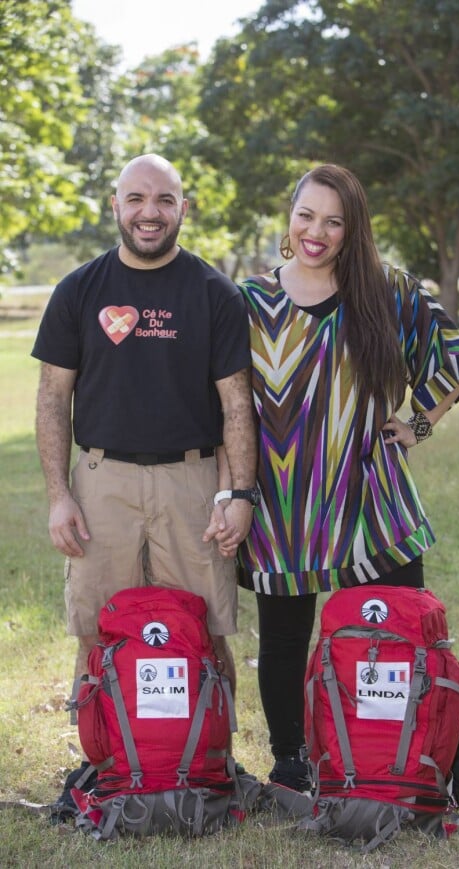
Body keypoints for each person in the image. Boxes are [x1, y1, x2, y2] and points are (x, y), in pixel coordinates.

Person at [206, 163, 459, 820]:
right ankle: (294, 769)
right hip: (283, 506)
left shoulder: (386, 289)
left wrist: (416, 422)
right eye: (306, 215)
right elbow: (227, 404)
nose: (316, 231)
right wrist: (234, 489)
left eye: (333, 220)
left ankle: (455, 766)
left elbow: (454, 361)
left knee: (413, 634)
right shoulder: (249, 300)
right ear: (290, 216)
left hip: (372, 499)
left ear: (352, 227)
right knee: (284, 642)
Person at [32, 153, 259, 813]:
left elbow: (236, 404)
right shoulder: (79, 289)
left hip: (194, 480)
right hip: (103, 480)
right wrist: (58, 494)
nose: (150, 211)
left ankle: (211, 762)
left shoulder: (213, 292)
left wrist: (237, 492)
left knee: (207, 629)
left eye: (164, 199)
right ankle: (104, 763)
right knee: (98, 628)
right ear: (116, 205)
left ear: (183, 207)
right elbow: (52, 400)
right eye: (137, 198)